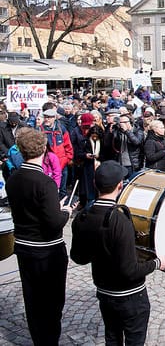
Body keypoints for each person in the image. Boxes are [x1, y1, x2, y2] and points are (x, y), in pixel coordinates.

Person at [71, 161, 165, 345]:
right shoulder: (119, 219)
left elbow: (78, 257)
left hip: (105, 293)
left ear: (95, 184)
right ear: (120, 186)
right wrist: (157, 263)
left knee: (112, 337)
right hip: (130, 296)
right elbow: (129, 270)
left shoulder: (83, 216)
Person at [6, 127, 74, 345]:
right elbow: (54, 222)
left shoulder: (14, 178)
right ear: (44, 149)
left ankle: (39, 339)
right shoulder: (44, 182)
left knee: (32, 299)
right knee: (52, 302)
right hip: (46, 250)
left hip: (24, 247)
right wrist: (66, 211)